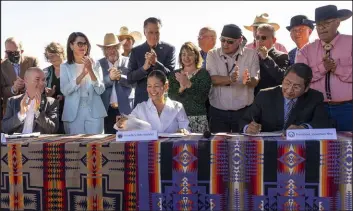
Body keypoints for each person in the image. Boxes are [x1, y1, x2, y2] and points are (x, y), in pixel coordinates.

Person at [296, 5, 352, 131]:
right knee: (318, 149)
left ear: (337, 23)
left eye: (326, 23)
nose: (321, 29)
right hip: (317, 110)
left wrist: (337, 69)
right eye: (319, 25)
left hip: (349, 108)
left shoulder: (351, 43)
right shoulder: (306, 50)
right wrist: (323, 68)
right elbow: (301, 78)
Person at [239, 63, 331, 134]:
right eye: (287, 83)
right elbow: (244, 121)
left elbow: (323, 122)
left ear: (306, 88)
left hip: (300, 147)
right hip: (268, 146)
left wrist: (303, 128)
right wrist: (248, 128)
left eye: (296, 87)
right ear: (283, 79)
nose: (289, 90)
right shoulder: (265, 95)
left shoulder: (315, 97)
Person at [206, 24, 260, 133]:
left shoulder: (251, 54)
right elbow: (212, 79)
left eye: (230, 42)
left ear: (240, 40)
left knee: (244, 147)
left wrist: (248, 80)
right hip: (218, 112)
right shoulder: (212, 54)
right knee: (218, 147)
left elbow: (256, 79)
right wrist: (230, 79)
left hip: (244, 112)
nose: (225, 44)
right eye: (223, 40)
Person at [60, 32, 107, 134]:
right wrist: (82, 75)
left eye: (85, 44)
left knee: (96, 147)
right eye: (80, 44)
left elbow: (100, 90)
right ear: (71, 45)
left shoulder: (95, 63)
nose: (83, 47)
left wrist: (90, 70)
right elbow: (65, 90)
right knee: (75, 148)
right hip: (73, 113)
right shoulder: (65, 66)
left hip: (95, 111)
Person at [116, 70, 189, 133]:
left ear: (166, 86)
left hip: (171, 148)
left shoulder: (177, 107)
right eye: (149, 86)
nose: (152, 90)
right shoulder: (140, 108)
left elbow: (186, 130)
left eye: (156, 86)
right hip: (147, 149)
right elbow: (127, 125)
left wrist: (183, 131)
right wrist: (121, 124)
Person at [127, 17, 176, 107]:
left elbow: (171, 76)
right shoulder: (135, 51)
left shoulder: (169, 49)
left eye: (157, 32)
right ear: (144, 32)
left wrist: (156, 63)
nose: (154, 36)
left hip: (163, 103)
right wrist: (144, 68)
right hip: (142, 102)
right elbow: (130, 78)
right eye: (150, 32)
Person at [168, 42, 211, 133]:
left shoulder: (204, 74)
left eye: (190, 54)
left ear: (196, 56)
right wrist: (181, 89)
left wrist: (189, 84)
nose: (186, 58)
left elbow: (202, 98)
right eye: (183, 54)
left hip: (198, 119)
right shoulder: (174, 75)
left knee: (201, 146)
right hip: (178, 119)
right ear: (180, 56)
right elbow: (171, 98)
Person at [2, 67, 59, 134]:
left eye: (43, 80)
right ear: (26, 81)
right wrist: (21, 114)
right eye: (37, 79)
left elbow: (53, 129)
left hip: (37, 143)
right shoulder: (13, 101)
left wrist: (37, 112)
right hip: (18, 143)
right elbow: (4, 128)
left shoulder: (51, 103)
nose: (42, 83)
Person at [97, 33, 134, 134]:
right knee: (109, 143)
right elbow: (96, 86)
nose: (111, 51)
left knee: (127, 141)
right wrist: (109, 78)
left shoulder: (129, 62)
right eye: (108, 48)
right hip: (106, 110)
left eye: (114, 48)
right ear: (104, 51)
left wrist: (120, 77)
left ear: (120, 48)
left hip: (125, 109)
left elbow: (134, 82)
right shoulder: (98, 64)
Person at [1, 37, 39, 114]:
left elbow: (39, 81)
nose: (12, 55)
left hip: (31, 106)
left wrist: (25, 86)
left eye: (15, 52)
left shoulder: (32, 61)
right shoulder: (2, 66)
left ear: (21, 51)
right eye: (9, 52)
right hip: (11, 109)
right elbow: (2, 90)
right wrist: (13, 88)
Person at [255, 24, 290, 96]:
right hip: (254, 101)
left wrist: (266, 58)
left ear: (274, 40)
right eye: (257, 37)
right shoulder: (252, 56)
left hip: (272, 101)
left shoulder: (283, 56)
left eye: (263, 38)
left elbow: (282, 78)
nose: (259, 40)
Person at [43, 42, 66, 134]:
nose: (50, 59)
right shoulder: (45, 72)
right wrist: (47, 93)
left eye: (53, 55)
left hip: (69, 111)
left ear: (61, 53)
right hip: (51, 112)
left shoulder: (71, 69)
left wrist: (65, 97)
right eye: (48, 57)